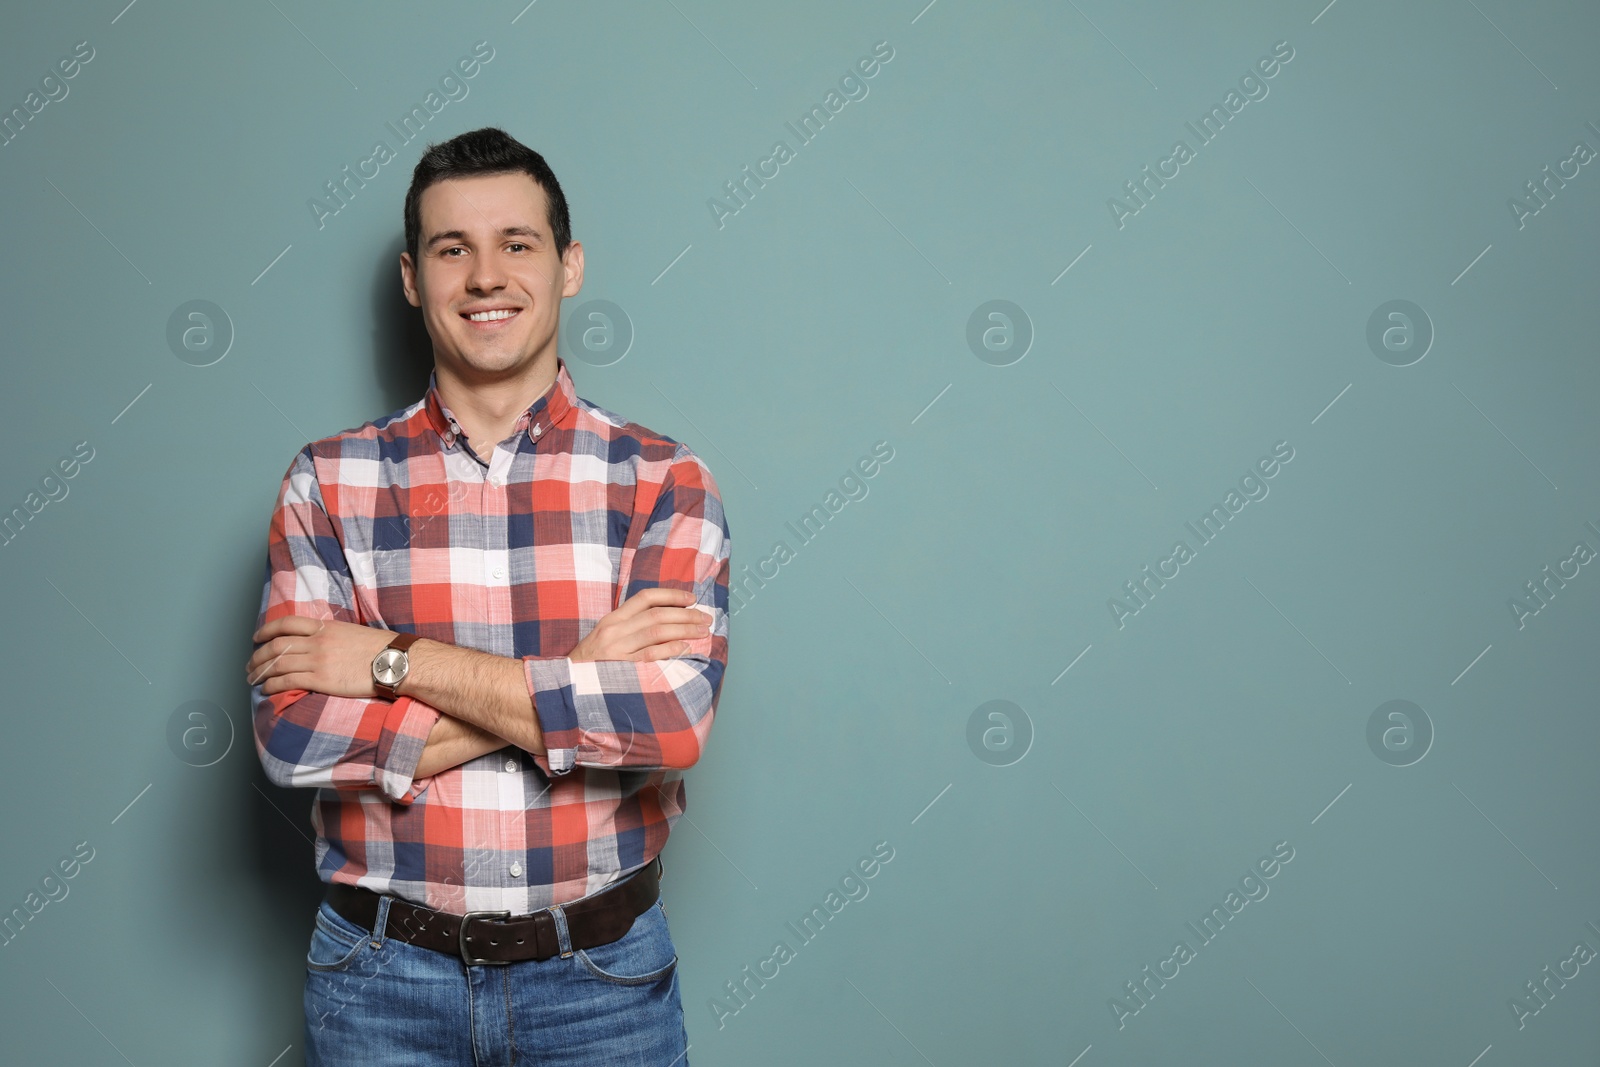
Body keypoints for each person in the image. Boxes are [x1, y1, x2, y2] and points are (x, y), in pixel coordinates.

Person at [244, 126, 730, 1066]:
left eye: (517, 243)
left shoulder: (665, 480)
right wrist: (582, 672)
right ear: (411, 279)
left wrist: (394, 662)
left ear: (569, 265)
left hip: (602, 982)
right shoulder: (328, 481)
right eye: (451, 248)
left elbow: (670, 721)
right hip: (380, 979)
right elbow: (292, 734)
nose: (485, 276)